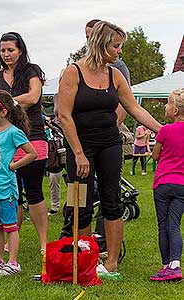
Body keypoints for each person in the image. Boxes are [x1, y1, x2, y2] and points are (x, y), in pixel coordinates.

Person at [58, 21, 162, 277]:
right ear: (101, 44)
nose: (119, 51)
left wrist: (164, 131)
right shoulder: (73, 72)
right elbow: (64, 116)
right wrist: (79, 153)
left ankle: (111, 263)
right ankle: (85, 259)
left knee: (112, 201)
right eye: (116, 46)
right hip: (79, 147)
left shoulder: (115, 74)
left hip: (110, 144)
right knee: (78, 204)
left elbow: (134, 108)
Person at [0, 32, 48, 254]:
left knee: (34, 191)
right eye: (3, 50)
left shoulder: (31, 71)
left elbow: (33, 97)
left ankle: (43, 243)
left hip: (33, 136)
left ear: (20, 50)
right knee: (12, 194)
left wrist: (9, 102)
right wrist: (4, 104)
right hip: (5, 141)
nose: (6, 54)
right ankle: (13, 240)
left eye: (10, 50)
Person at [0, 90, 37, 276]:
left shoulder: (14, 132)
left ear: (3, 112)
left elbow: (32, 153)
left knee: (11, 227)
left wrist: (13, 166)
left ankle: (13, 262)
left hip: (6, 189)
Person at [149, 89, 184, 281]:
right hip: (182, 186)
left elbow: (155, 156)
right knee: (174, 224)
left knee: (163, 225)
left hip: (163, 183)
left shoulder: (164, 130)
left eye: (169, 103)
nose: (166, 106)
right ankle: (175, 263)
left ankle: (166, 266)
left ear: (176, 110)